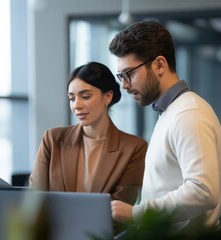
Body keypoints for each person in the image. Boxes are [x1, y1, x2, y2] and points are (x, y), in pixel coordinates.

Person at [109, 20, 221, 234]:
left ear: (159, 65)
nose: (124, 85)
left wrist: (135, 214)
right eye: (120, 76)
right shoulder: (171, 112)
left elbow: (203, 191)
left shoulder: (188, 114)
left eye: (129, 74)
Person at [29, 61, 148, 234]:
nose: (76, 105)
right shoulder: (53, 139)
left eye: (85, 96)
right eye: (72, 98)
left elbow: (118, 212)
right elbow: (35, 198)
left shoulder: (134, 148)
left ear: (107, 96)